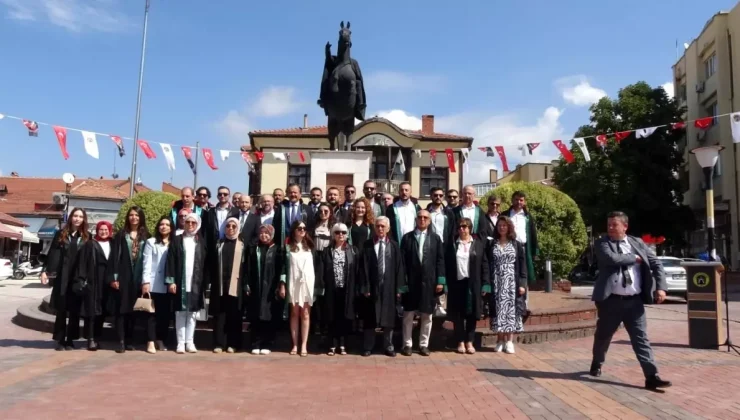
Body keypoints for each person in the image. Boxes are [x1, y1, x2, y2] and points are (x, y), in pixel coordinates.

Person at [590, 211, 671, 391]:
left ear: (625, 226)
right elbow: (612, 259)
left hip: (634, 303)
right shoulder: (602, 243)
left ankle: (651, 376)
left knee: (641, 339)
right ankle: (597, 361)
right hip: (610, 302)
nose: (610, 228)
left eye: (614, 225)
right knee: (603, 337)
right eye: (608, 224)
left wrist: (661, 287)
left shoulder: (637, 243)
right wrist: (634, 258)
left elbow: (656, 263)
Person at [41, 207, 89, 351]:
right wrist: (45, 271)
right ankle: (61, 339)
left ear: (83, 219)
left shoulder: (87, 237)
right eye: (75, 216)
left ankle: (70, 340)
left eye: (80, 216)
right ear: (71, 217)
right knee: (61, 309)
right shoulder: (61, 234)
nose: (77, 219)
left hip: (77, 278)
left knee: (74, 310)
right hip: (63, 276)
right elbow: (51, 254)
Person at [358, 216, 407, 357]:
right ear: (374, 228)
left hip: (389, 286)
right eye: (378, 226)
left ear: (388, 228)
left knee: (389, 318)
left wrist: (399, 288)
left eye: (383, 226)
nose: (380, 228)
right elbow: (363, 268)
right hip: (372, 286)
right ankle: (368, 346)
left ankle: (389, 346)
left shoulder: (394, 245)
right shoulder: (367, 245)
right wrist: (365, 287)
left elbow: (399, 268)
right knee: (370, 317)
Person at [399, 210, 445, 357]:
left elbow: (440, 261)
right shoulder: (407, 238)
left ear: (429, 221)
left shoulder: (436, 239)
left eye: (425, 217)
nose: (422, 219)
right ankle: (407, 344)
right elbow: (402, 262)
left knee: (427, 315)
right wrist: (402, 282)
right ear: (416, 219)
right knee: (408, 314)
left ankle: (423, 345)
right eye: (419, 217)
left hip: (429, 282)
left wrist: (440, 280)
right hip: (411, 282)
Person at [445, 217, 489, 355]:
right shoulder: (452, 244)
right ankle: (460, 341)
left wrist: (486, 284)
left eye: (465, 227)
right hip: (457, 284)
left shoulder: (478, 244)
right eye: (460, 227)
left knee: (472, 314)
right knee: (458, 315)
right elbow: (446, 265)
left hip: (473, 283)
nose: (462, 229)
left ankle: (470, 341)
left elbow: (485, 265)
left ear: (470, 228)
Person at [166, 213, 207, 354]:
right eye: (188, 222)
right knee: (180, 313)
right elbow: (170, 261)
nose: (190, 225)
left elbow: (205, 264)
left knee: (192, 314)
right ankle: (180, 343)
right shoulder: (177, 240)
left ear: (198, 224)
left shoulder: (201, 241)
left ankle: (190, 342)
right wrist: (171, 281)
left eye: (193, 223)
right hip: (179, 282)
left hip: (195, 283)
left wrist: (205, 283)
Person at [109, 206, 148, 353]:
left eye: (137, 215)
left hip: (138, 278)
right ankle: (121, 340)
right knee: (121, 311)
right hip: (123, 277)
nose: (134, 217)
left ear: (141, 217)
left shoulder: (146, 235)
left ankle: (130, 340)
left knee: (134, 311)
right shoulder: (121, 235)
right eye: (131, 215)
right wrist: (114, 277)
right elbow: (114, 258)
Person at [488, 216, 527, 354]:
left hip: (512, 282)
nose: (502, 227)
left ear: (509, 227)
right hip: (497, 281)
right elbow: (487, 264)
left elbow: (522, 266)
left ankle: (509, 341)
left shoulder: (516, 244)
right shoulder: (492, 244)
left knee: (511, 311)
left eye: (504, 225)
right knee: (498, 310)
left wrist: (522, 284)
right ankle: (499, 340)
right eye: (499, 225)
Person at [283, 220, 321, 357]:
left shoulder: (311, 246)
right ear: (294, 230)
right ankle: (295, 344)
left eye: (304, 228)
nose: (302, 230)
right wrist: (282, 284)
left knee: (305, 313)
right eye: (299, 228)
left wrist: (317, 286)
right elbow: (283, 267)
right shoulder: (287, 247)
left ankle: (304, 344)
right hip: (293, 282)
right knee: (294, 313)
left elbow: (317, 267)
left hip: (307, 284)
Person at [209, 217, 247, 354]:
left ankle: (233, 343)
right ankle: (219, 343)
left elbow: (246, 266)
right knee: (219, 315)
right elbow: (212, 263)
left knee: (235, 315)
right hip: (219, 285)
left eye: (234, 226)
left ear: (238, 228)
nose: (230, 229)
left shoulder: (243, 244)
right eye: (228, 226)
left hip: (236, 286)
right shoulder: (219, 243)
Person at [245, 224, 284, 355]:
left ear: (271, 234)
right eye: (261, 233)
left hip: (271, 288)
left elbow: (281, 269)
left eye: (266, 233)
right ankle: (255, 342)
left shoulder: (277, 250)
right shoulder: (253, 249)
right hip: (256, 288)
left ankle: (267, 342)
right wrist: (247, 283)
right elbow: (248, 268)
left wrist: (280, 285)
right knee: (256, 315)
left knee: (269, 315)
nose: (264, 235)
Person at [321, 223, 358, 356]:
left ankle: (343, 344)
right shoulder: (327, 250)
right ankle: (332, 344)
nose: (340, 235)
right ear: (333, 235)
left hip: (347, 289)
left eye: (343, 232)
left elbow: (357, 271)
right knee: (332, 317)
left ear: (347, 235)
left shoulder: (352, 250)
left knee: (345, 317)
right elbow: (322, 271)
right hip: (332, 289)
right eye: (337, 232)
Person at [74, 220, 112, 351]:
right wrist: (81, 279)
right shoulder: (90, 244)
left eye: (106, 229)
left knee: (101, 312)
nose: (103, 232)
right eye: (101, 229)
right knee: (91, 312)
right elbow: (83, 263)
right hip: (93, 280)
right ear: (97, 230)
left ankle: (98, 338)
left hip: (107, 282)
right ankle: (90, 339)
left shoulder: (112, 243)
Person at [141, 216, 176, 354]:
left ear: (171, 227)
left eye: (167, 224)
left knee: (164, 315)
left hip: (168, 283)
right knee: (151, 314)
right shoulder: (151, 242)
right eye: (161, 224)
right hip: (153, 283)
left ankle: (160, 339)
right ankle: (150, 340)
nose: (164, 227)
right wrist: (145, 282)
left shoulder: (175, 242)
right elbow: (146, 262)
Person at [504, 191, 539, 285]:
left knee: (523, 274)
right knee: (509, 273)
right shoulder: (505, 215)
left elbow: (533, 234)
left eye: (521, 200)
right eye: (516, 199)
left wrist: (535, 251)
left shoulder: (527, 216)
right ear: (512, 200)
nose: (519, 202)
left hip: (523, 248)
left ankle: (524, 298)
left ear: (524, 202)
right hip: (508, 247)